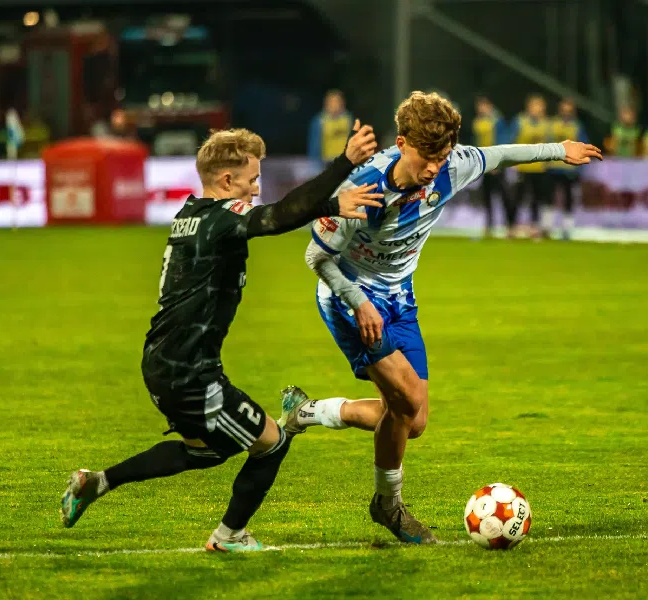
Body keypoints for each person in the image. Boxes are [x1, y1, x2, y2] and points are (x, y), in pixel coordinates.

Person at [279, 91, 601, 544]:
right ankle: (388, 505)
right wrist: (358, 302)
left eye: (442, 155)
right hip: (351, 300)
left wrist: (558, 150)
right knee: (407, 400)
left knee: (413, 421)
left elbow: (500, 154)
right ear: (401, 143)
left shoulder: (452, 166)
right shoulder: (363, 188)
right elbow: (316, 256)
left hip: (400, 299)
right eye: (426, 156)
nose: (434, 167)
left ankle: (307, 412)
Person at [60, 124, 383, 552]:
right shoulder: (221, 219)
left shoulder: (192, 214)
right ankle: (229, 536)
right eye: (252, 180)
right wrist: (342, 168)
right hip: (190, 373)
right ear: (227, 181)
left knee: (206, 451)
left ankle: (97, 482)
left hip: (165, 361)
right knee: (272, 444)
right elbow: (279, 217)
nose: (256, 189)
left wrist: (326, 200)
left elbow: (277, 213)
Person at [509, 95, 553, 237]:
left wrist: (548, 161)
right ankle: (512, 226)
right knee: (517, 197)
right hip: (522, 166)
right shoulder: (520, 121)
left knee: (537, 198)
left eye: (540, 106)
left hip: (539, 167)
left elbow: (550, 144)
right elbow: (512, 140)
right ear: (529, 107)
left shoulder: (546, 124)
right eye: (535, 106)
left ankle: (535, 226)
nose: (538, 109)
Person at [547, 98, 590, 239]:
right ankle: (547, 227)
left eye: (568, 110)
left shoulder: (577, 126)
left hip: (570, 168)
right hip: (553, 167)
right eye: (564, 110)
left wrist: (580, 165)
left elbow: (583, 145)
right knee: (549, 198)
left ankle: (567, 229)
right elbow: (545, 143)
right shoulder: (552, 124)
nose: (566, 112)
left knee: (568, 199)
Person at [471, 95, 511, 237]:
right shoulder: (477, 121)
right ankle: (489, 225)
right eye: (479, 106)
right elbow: (476, 142)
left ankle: (509, 225)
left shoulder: (497, 121)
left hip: (496, 164)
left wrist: (497, 163)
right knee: (486, 196)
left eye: (483, 106)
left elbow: (502, 142)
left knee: (503, 195)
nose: (481, 109)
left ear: (489, 106)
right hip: (484, 164)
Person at [308, 89, 354, 167]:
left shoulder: (348, 119)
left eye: (337, 102)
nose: (334, 105)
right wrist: (315, 163)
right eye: (331, 102)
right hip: (326, 162)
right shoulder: (319, 120)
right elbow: (313, 144)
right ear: (326, 104)